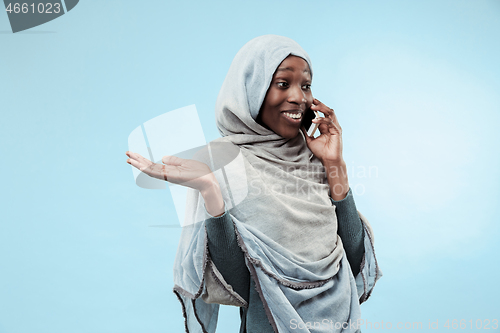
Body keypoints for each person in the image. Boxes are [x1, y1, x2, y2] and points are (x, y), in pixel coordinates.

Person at [126, 35, 381, 333]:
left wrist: (335, 165)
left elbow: (352, 263)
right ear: (250, 89)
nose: (299, 97)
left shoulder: (314, 156)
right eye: (283, 84)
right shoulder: (222, 160)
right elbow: (238, 284)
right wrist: (210, 189)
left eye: (306, 85)